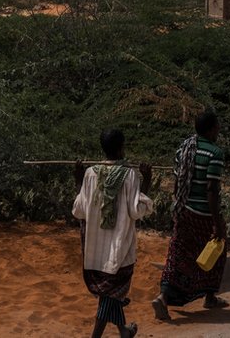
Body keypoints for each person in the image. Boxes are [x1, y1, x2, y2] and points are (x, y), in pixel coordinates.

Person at [73, 129, 154, 338]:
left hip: (95, 250)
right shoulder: (129, 175)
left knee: (111, 294)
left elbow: (79, 210)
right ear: (120, 149)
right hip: (120, 247)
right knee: (110, 296)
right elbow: (137, 210)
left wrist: (79, 181)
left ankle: (123, 331)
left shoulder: (90, 174)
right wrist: (147, 181)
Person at [152, 109, 229, 321]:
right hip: (204, 215)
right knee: (217, 253)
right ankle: (210, 297)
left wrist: (180, 207)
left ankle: (162, 297)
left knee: (177, 256)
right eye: (217, 126)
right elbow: (211, 190)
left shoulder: (183, 149)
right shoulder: (215, 153)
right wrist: (217, 223)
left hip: (184, 211)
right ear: (212, 129)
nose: (219, 129)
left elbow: (177, 185)